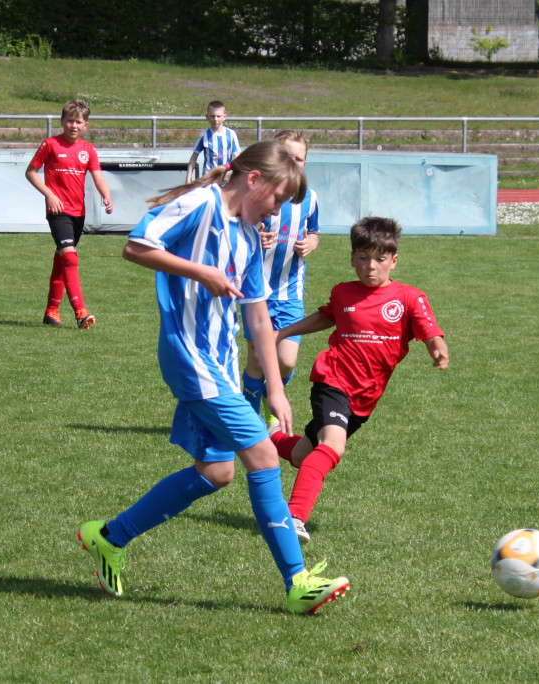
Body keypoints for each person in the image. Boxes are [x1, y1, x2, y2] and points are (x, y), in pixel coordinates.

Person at [77, 141, 349, 615]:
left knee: (218, 472)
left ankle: (108, 536)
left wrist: (278, 391)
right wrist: (200, 271)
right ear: (253, 180)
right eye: (278, 198)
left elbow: (260, 319)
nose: (279, 210)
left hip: (220, 363)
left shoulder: (247, 237)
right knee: (263, 456)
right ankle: (297, 581)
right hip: (189, 356)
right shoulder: (198, 204)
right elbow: (136, 246)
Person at [268, 216, 450, 544]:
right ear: (352, 259)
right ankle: (293, 517)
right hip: (332, 381)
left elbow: (428, 328)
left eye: (380, 259)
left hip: (364, 400)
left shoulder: (409, 297)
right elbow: (327, 315)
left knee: (301, 456)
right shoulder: (343, 292)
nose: (370, 267)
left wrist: (437, 348)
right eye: (363, 258)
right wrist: (284, 331)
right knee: (332, 447)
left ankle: (259, 437)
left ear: (393, 261)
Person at [241, 130, 320, 417]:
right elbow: (239, 229)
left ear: (305, 163)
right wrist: (255, 238)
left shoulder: (310, 198)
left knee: (286, 361)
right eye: (288, 156)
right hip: (255, 292)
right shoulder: (259, 193)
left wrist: (310, 243)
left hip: (289, 291)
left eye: (299, 159)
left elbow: (314, 232)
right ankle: (249, 424)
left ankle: (270, 394)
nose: (293, 163)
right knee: (257, 359)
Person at [25, 98, 114, 329]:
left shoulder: (88, 149)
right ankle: (80, 311)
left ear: (85, 125)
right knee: (70, 258)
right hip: (58, 210)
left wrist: (106, 195)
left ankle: (52, 311)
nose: (73, 126)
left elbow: (98, 175)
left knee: (62, 260)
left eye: (79, 122)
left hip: (78, 213)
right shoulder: (50, 144)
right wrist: (49, 195)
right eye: (70, 121)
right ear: (62, 121)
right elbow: (31, 172)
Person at [185, 100, 241, 183]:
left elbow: (237, 157)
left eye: (218, 116)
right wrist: (188, 178)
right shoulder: (203, 135)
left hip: (226, 179)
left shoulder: (231, 134)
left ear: (224, 117)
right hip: (208, 179)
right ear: (207, 117)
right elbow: (193, 158)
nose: (215, 119)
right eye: (212, 116)